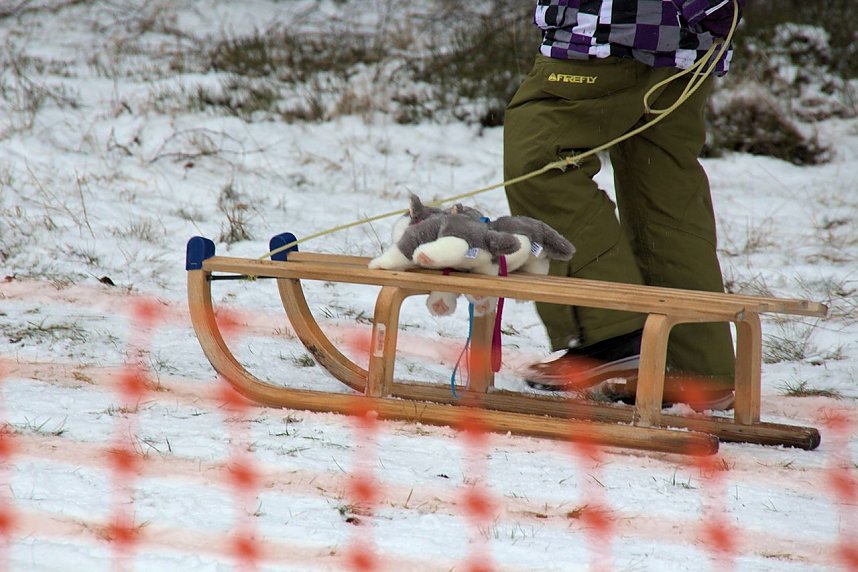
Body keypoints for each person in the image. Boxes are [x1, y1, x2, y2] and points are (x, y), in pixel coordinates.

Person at [503, 0, 744, 411]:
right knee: (661, 190)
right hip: (688, 39)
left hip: (612, 26)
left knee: (539, 162)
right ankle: (693, 366)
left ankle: (612, 335)